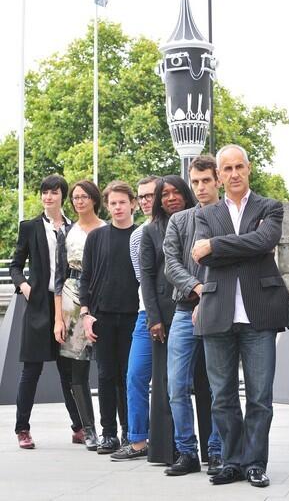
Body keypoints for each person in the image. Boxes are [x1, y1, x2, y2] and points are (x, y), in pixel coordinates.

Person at [192, 144, 289, 488]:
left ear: (248, 169)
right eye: (228, 169)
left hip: (260, 314)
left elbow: (265, 239)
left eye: (240, 167)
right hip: (217, 312)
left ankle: (255, 463)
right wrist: (245, 245)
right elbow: (201, 256)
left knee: (259, 397)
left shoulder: (269, 207)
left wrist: (218, 245)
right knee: (222, 395)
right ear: (220, 175)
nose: (234, 174)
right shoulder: (205, 215)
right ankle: (233, 460)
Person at [10, 174, 83, 449]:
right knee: (31, 370)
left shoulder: (73, 228)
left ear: (62, 196)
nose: (48, 197)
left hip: (67, 305)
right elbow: (15, 265)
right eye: (44, 192)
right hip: (39, 306)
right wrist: (24, 287)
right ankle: (22, 429)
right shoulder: (29, 227)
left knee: (68, 371)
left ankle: (79, 427)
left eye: (53, 192)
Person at [163, 156, 222, 476]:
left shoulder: (230, 216)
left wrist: (209, 294)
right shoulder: (179, 221)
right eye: (195, 181)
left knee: (217, 385)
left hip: (220, 310)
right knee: (176, 385)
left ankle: (216, 451)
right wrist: (198, 288)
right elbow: (170, 264)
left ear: (217, 181)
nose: (200, 187)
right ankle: (186, 452)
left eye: (206, 181)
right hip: (185, 310)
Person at [79, 180, 139, 454]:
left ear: (133, 204)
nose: (117, 208)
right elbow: (86, 277)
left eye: (122, 202)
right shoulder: (96, 237)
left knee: (128, 375)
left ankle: (130, 431)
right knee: (104, 375)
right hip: (102, 315)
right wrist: (85, 313)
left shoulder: (141, 236)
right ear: (107, 206)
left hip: (133, 316)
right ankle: (109, 433)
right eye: (112, 203)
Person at [140, 175, 195, 465]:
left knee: (204, 381)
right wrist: (153, 319)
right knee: (165, 384)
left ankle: (211, 449)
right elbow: (146, 278)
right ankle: (165, 449)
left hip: (200, 307)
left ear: (186, 194)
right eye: (165, 194)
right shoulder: (151, 231)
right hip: (164, 313)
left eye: (176, 192)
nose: (171, 198)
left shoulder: (203, 220)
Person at [54, 180, 106, 451]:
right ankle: (89, 430)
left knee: (112, 369)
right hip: (72, 301)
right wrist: (58, 318)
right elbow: (58, 278)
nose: (79, 201)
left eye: (84, 196)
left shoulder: (107, 230)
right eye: (75, 197)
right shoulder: (67, 232)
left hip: (103, 298)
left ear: (95, 199)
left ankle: (117, 430)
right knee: (77, 369)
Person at [110, 175, 159, 461]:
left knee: (175, 383)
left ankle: (181, 442)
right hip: (146, 314)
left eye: (149, 195)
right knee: (135, 376)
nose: (144, 201)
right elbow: (144, 280)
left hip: (179, 311)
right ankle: (138, 441)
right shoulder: (138, 235)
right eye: (141, 197)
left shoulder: (178, 224)